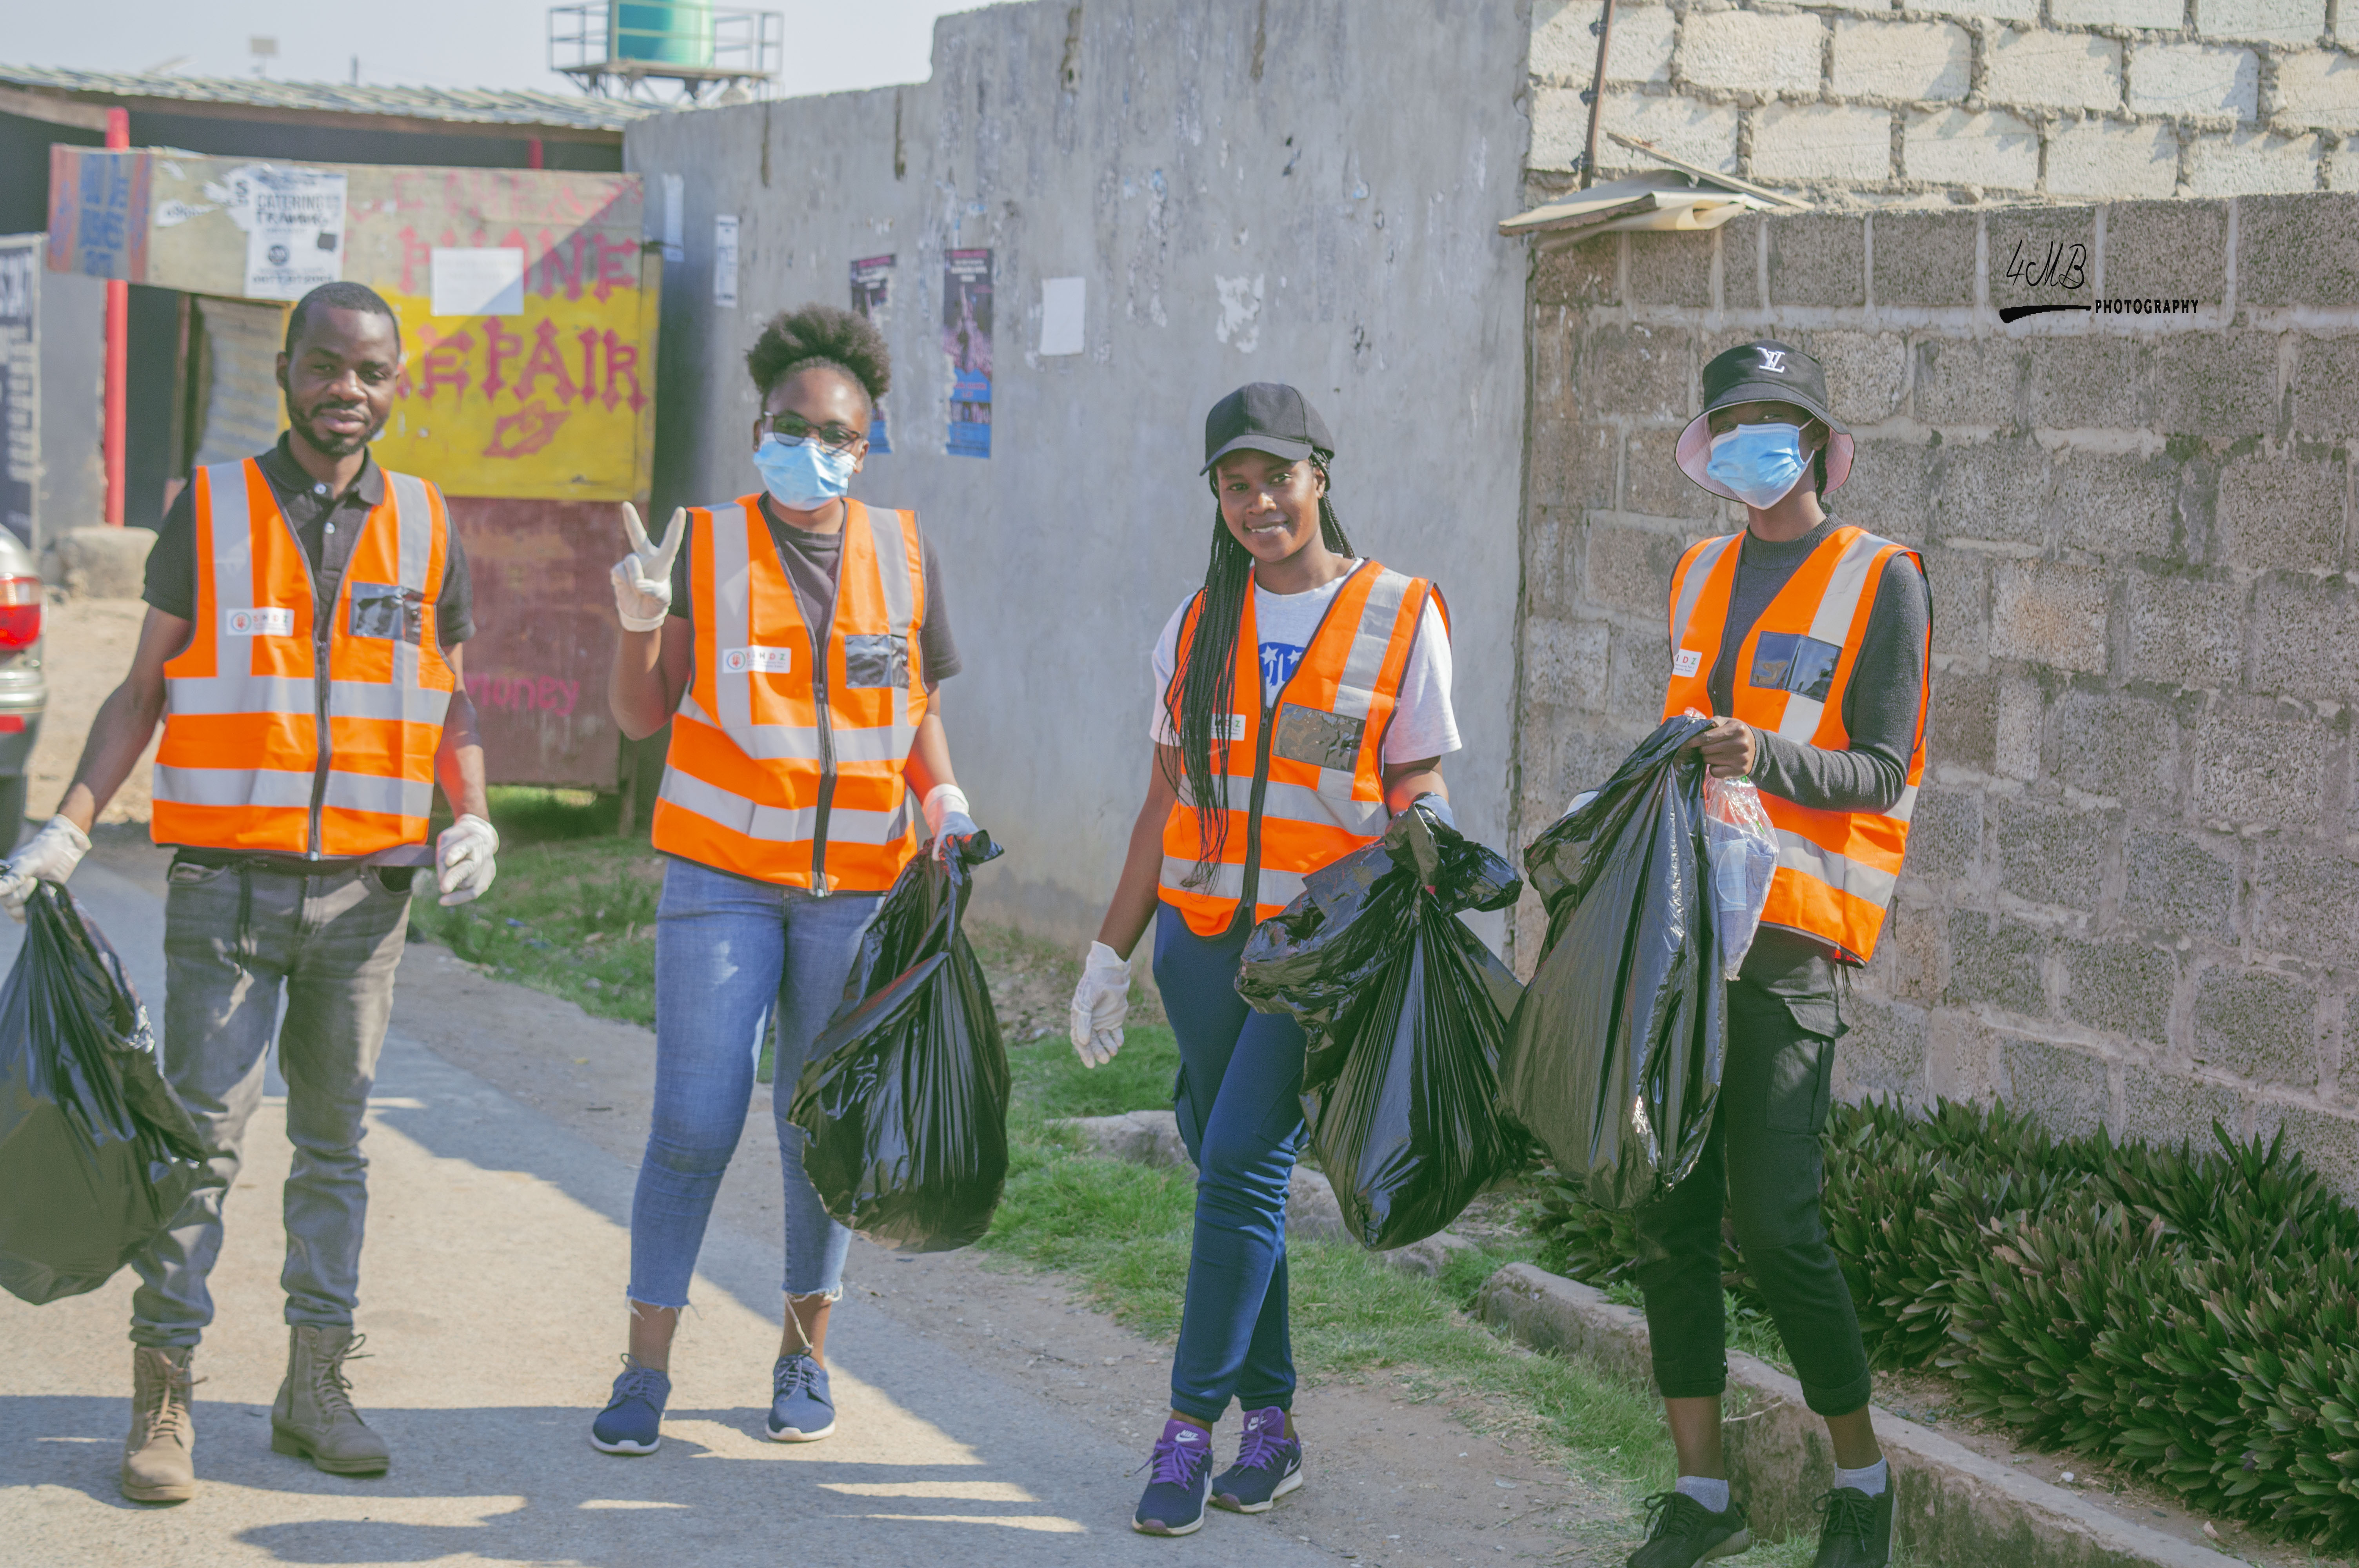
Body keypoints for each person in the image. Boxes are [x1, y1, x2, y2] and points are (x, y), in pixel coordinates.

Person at [0, 281, 496, 1503]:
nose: (348, 391)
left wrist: (471, 809)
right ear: (286, 371)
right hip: (224, 890)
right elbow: (145, 686)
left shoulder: (430, 524)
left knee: (337, 1150)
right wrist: (66, 827)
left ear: (396, 385)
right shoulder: (211, 512)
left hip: (368, 898)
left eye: (372, 373)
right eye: (327, 367)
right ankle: (164, 1395)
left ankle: (314, 1384)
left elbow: (453, 694)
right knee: (204, 1146)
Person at [1067, 383, 1458, 1536]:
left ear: (1319, 476)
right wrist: (1106, 953)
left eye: (1276, 479)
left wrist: (1427, 829)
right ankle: (1275, 1425)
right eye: (1234, 487)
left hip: (1315, 956)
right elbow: (1160, 806)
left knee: (1238, 1159)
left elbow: (1413, 781)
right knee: (1223, 1157)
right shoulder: (1194, 624)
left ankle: (1188, 1430)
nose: (1258, 505)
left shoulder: (1400, 612)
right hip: (1196, 951)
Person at [592, 303, 973, 1455]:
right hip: (721, 881)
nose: (815, 447)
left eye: (840, 433)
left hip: (858, 889)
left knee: (823, 1132)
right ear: (758, 425)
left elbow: (914, 708)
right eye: (791, 425)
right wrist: (638, 626)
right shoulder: (700, 547)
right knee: (696, 1123)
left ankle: (804, 1358)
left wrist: (945, 797)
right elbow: (639, 716)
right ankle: (644, 1369)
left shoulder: (903, 552)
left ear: (870, 443)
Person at [1621, 341, 1930, 1568]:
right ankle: (1703, 1495)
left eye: (1776, 419)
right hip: (1688, 937)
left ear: (1815, 440)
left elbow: (1886, 767)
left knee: (1781, 1224)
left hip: (1794, 948)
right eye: (1733, 422)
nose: (1755, 439)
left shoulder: (1879, 579)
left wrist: (1766, 755)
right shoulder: (1699, 574)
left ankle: (1863, 1481)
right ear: (1712, 448)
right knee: (1669, 1215)